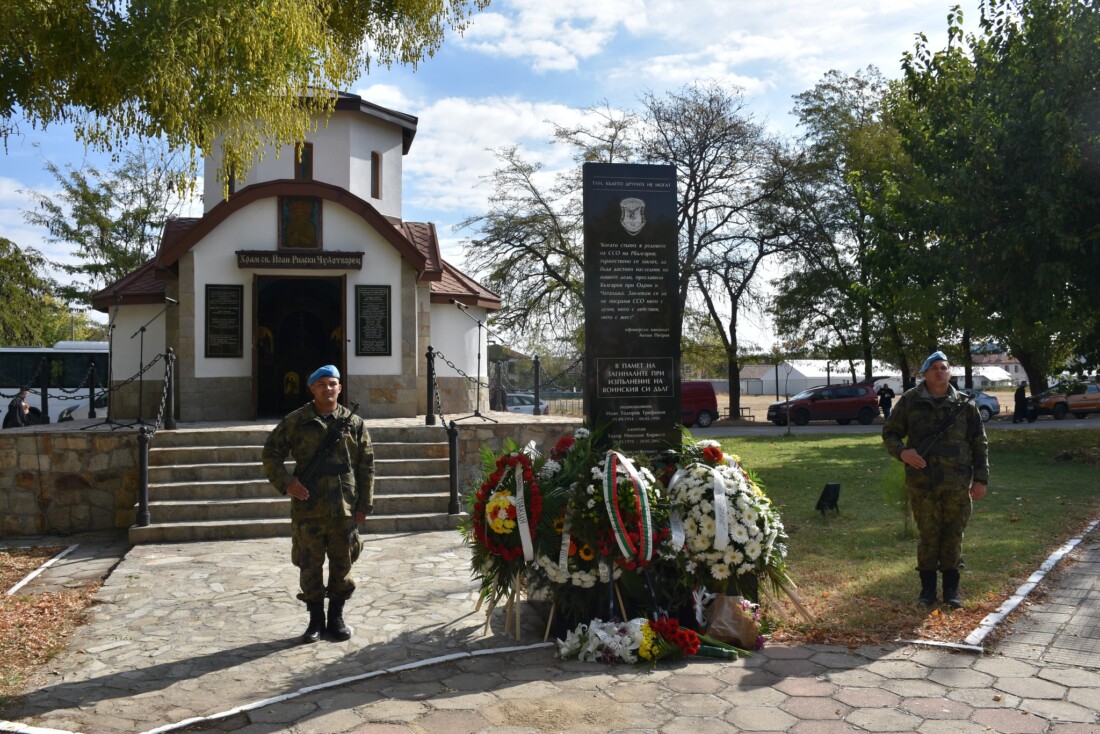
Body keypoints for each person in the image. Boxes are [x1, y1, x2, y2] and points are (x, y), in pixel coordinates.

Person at [262, 365, 374, 644]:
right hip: (308, 506)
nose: (327, 388)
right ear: (312, 389)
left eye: (332, 384)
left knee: (342, 563)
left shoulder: (355, 423)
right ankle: (315, 620)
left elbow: (366, 466)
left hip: (344, 506)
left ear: (340, 388)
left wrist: (364, 504)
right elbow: (271, 453)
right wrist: (287, 483)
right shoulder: (295, 421)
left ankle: (336, 617)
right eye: (321, 384)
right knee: (309, 564)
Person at [882, 351, 988, 609]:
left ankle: (952, 591)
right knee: (928, 535)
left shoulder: (964, 404)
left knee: (953, 535)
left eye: (944, 367)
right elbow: (890, 433)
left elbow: (979, 443)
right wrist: (903, 453)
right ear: (924, 373)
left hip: (957, 483)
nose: (940, 371)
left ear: (949, 372)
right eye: (934, 368)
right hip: (922, 483)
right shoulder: (910, 401)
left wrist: (981, 479)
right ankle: (927, 591)